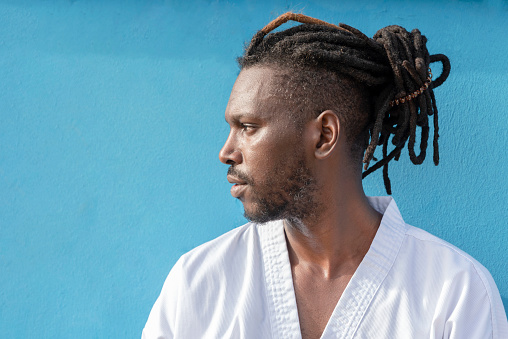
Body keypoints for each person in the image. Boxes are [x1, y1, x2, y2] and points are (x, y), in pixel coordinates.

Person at [142, 12, 507, 338]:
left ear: (324, 136)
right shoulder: (200, 283)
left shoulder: (455, 293)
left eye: (248, 127)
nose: (226, 152)